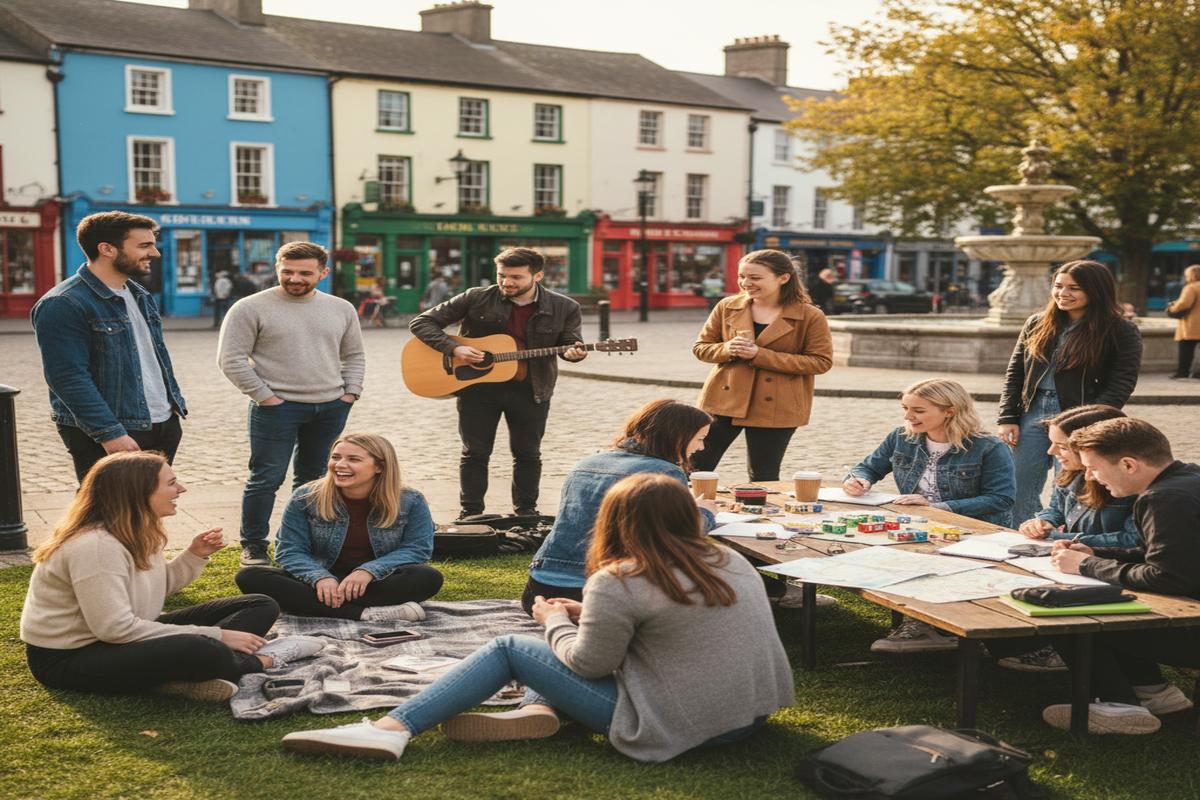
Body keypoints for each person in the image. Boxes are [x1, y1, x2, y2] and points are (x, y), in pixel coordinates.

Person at [280, 472, 794, 763]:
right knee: (557, 635)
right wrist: (585, 612)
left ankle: (391, 728)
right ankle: (539, 711)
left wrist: (554, 621)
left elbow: (589, 663)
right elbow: (667, 622)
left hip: (679, 726)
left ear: (614, 521)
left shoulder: (619, 578)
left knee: (511, 647)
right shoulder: (727, 558)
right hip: (749, 716)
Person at [20, 451, 323, 701]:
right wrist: (216, 635)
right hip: (71, 657)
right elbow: (114, 629)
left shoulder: (139, 529)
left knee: (260, 604)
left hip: (124, 636)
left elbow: (153, 590)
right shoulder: (96, 546)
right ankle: (263, 660)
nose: (181, 490)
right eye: (172, 483)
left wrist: (194, 555)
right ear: (139, 493)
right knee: (199, 646)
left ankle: (170, 678)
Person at [991, 418, 1200, 734]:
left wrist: (1085, 566)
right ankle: (1152, 691)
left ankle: (1118, 705)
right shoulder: (1187, 479)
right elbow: (1169, 555)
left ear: (1128, 464)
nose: (1089, 477)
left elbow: (1167, 577)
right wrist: (1097, 554)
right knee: (1096, 594)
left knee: (1065, 608)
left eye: (1094, 468)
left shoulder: (1162, 498)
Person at [218, 241, 366, 567]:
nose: (294, 278)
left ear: (323, 273)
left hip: (331, 406)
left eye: (304, 273)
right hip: (276, 408)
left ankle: (305, 542)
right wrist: (265, 397)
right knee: (266, 478)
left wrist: (350, 393)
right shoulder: (249, 307)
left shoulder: (341, 308)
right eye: (287, 271)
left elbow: (353, 355)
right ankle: (254, 545)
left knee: (313, 479)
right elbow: (230, 360)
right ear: (277, 268)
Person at [410, 247, 585, 518]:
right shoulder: (476, 297)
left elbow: (569, 343)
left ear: (537, 276)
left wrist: (574, 353)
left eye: (516, 277)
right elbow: (422, 322)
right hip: (478, 387)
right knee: (475, 452)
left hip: (531, 389)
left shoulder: (564, 307)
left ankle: (527, 513)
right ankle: (470, 513)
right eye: (502, 275)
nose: (506, 282)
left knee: (528, 453)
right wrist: (453, 349)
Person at [843, 378, 1015, 654]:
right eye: (906, 408)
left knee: (919, 556)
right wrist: (858, 481)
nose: (908, 416)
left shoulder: (989, 447)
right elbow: (867, 467)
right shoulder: (901, 437)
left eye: (918, 410)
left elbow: (1002, 499)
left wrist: (938, 506)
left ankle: (923, 625)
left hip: (976, 532)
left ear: (949, 410)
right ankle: (921, 623)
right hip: (921, 524)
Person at [31, 211, 187, 484]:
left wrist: (171, 414)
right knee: (105, 513)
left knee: (147, 509)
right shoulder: (64, 303)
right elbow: (67, 377)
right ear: (107, 249)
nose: (155, 253)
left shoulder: (139, 294)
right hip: (114, 428)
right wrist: (109, 433)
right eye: (144, 246)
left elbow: (153, 357)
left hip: (161, 421)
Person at [522, 400, 717, 614]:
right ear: (677, 436)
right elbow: (680, 538)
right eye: (699, 439)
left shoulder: (586, 463)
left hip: (540, 588)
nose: (702, 447)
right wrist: (705, 513)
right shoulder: (665, 471)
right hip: (600, 593)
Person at [236, 433, 443, 621]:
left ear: (379, 466)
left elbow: (417, 549)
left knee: (427, 577)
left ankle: (320, 607)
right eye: (336, 457)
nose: (339, 465)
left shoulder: (410, 500)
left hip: (376, 582)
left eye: (353, 459)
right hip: (317, 579)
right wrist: (320, 577)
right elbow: (290, 551)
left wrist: (368, 571)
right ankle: (366, 614)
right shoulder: (306, 496)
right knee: (250, 576)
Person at [997, 260, 1142, 524]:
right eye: (1058, 286)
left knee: (1069, 486)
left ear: (1095, 291)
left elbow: (1122, 381)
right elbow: (1015, 372)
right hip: (1032, 412)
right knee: (1018, 486)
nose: (1063, 293)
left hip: (1079, 417)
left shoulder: (1120, 329)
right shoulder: (1037, 323)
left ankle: (1059, 540)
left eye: (1074, 288)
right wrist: (1007, 416)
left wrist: (1093, 421)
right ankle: (1022, 536)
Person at [999, 404, 1136, 673]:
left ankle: (1064, 649)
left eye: (1060, 446)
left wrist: (1062, 536)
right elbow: (1054, 508)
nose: (1051, 452)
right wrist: (1041, 521)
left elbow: (1132, 539)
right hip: (1071, 561)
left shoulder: (1125, 482)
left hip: (1106, 569)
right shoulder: (1069, 473)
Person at [691, 249, 833, 482]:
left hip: (778, 405)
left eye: (755, 278)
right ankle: (687, 514)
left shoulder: (810, 316)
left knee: (764, 476)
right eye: (742, 276)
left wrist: (760, 355)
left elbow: (821, 361)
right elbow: (701, 348)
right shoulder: (727, 306)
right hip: (724, 399)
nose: (746, 283)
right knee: (695, 467)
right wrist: (727, 349)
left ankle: (756, 516)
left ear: (783, 278)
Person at [1166, 264, 1200, 379]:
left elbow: (1184, 304)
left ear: (1192, 275)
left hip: (1192, 324)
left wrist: (1171, 307)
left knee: (1186, 348)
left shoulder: (1191, 287)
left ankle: (1183, 372)